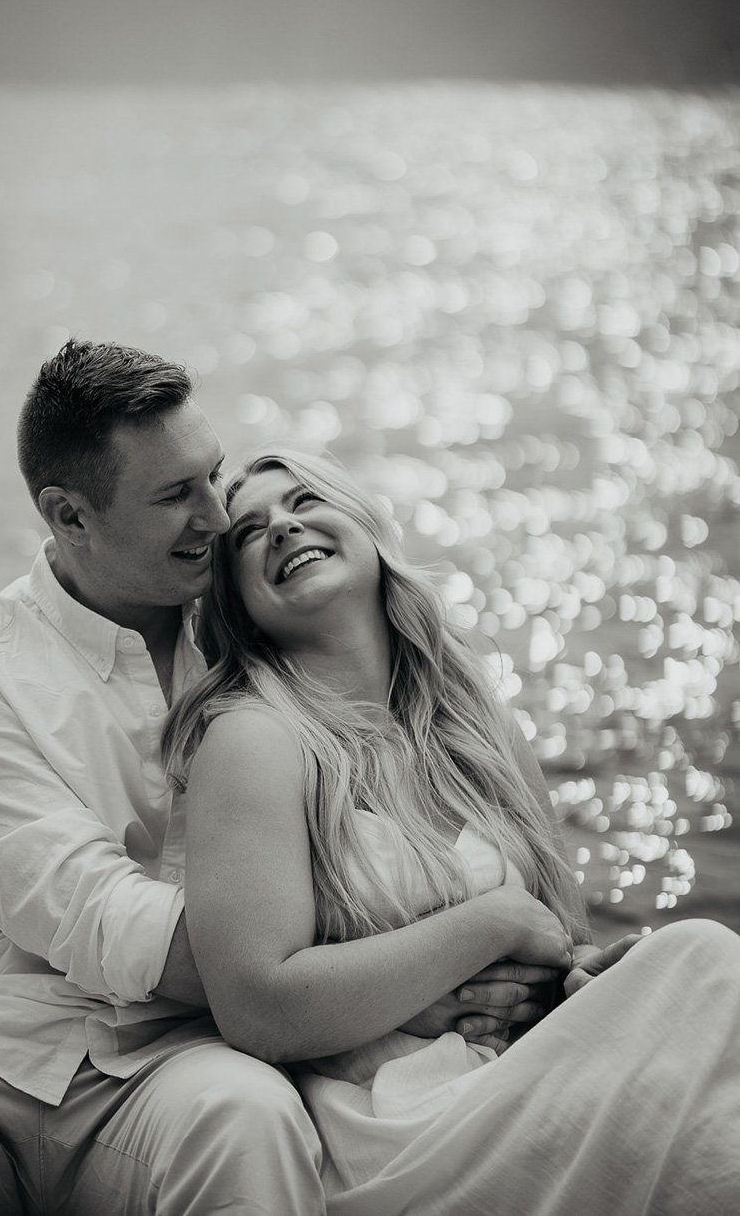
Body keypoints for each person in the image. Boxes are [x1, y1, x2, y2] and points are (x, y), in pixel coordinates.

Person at [0, 339, 544, 1215]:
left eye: (213, 474)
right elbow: (99, 913)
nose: (218, 514)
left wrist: (348, 987)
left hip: (185, 1061)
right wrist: (397, 987)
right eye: (175, 496)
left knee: (248, 1121)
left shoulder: (260, 617)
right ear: (69, 515)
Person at [164, 445, 740, 1216]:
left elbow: (559, 938)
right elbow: (256, 1008)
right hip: (395, 1121)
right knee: (702, 962)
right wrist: (488, 924)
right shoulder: (255, 738)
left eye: (303, 501)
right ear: (237, 602)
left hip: (520, 1064)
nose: (281, 527)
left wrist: (577, 976)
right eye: (248, 533)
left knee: (686, 976)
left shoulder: (475, 720)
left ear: (363, 526)